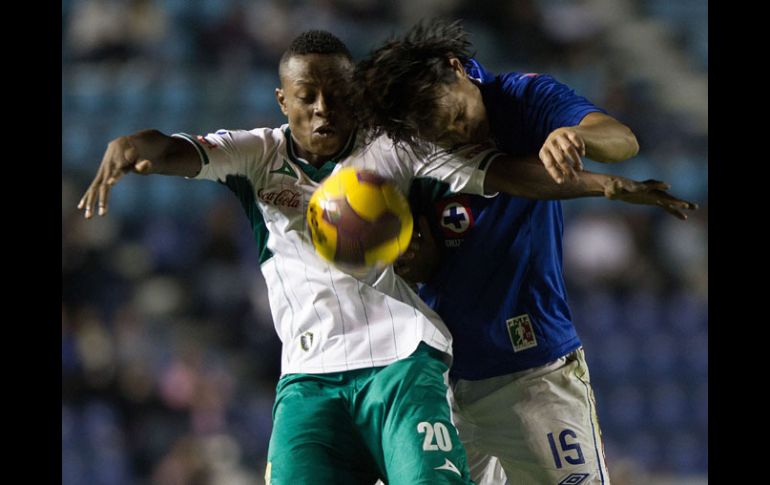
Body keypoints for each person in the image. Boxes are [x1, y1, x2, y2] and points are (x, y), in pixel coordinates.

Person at [77, 29, 693, 485]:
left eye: (336, 96)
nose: (322, 110)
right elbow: (177, 148)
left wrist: (604, 182)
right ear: (281, 99)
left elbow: (517, 172)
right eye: (307, 96)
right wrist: (135, 145)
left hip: (514, 369)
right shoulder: (266, 155)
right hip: (428, 376)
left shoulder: (453, 129)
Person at [355, 19, 696, 485]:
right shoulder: (406, 148)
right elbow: (425, 261)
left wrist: (577, 137)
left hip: (534, 374)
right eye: (443, 136)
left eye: (457, 117)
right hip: (437, 379)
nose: (459, 137)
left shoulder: (523, 99)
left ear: (458, 70)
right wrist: (407, 253)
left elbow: (621, 140)